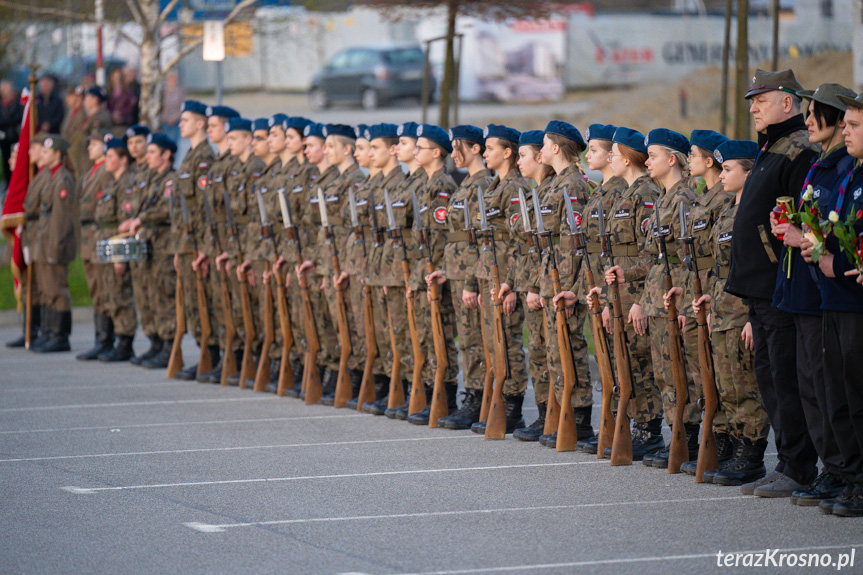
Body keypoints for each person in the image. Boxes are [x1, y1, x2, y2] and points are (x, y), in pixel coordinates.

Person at [725, 69, 820, 497]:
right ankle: (787, 461)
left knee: (785, 378)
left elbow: (799, 218)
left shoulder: (797, 149)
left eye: (760, 100)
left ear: (786, 101)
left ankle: (798, 466)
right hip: (760, 289)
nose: (752, 108)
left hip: (780, 284)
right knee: (771, 377)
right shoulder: (773, 147)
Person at [770, 84, 854, 505]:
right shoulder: (822, 165)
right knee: (812, 389)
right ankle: (833, 469)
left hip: (828, 293)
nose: (806, 120)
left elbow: (833, 235)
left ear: (838, 120)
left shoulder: (842, 169)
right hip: (803, 291)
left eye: (815, 113)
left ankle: (841, 471)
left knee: (829, 390)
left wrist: (804, 237)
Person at [801, 90, 863, 517]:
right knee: (839, 395)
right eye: (847, 123)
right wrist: (810, 242)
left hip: (853, 301)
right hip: (834, 298)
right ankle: (854, 479)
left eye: (855, 125)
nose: (846, 130)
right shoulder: (852, 174)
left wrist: (833, 259)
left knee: (857, 398)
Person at [670, 129, 734, 475]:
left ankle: (727, 442)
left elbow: (718, 256)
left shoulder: (723, 198)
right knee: (702, 371)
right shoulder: (702, 197)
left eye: (693, 154)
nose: (689, 160)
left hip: (716, 291)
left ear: (709, 160)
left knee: (721, 373)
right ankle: (715, 440)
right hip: (698, 291)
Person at [428, 125, 493, 430]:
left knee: (474, 339)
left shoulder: (482, 186)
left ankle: (478, 398)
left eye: (459, 147)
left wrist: (470, 281)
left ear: (476, 149)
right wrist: (446, 268)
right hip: (456, 271)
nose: (453, 154)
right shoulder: (466, 184)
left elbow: (479, 239)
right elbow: (455, 236)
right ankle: (473, 395)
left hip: (471, 273)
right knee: (466, 339)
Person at [465, 123, 528, 434]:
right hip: (488, 274)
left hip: (504, 278)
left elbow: (520, 241)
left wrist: (513, 283)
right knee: (493, 343)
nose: (485, 152)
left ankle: (512, 405)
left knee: (508, 342)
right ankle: (497, 402)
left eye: (490, 148)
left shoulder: (515, 187)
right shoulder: (493, 187)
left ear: (508, 152)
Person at [534, 121, 593, 447]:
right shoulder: (555, 184)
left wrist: (570, 287)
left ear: (556, 147)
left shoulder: (573, 186)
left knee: (569, 350)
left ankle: (580, 421)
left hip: (565, 283)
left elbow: (575, 242)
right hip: (551, 278)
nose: (540, 151)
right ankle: (566, 416)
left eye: (544, 144)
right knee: (556, 353)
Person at [572, 123, 629, 453]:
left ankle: (635, 428)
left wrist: (607, 297)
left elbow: (617, 252)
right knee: (608, 361)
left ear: (611, 155)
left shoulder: (623, 192)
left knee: (623, 362)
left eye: (593, 150)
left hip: (614, 291)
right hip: (597, 288)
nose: (588, 155)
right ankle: (615, 424)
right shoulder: (603, 191)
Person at [404, 123, 459, 425]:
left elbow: (442, 237)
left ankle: (445, 397)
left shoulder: (442, 186)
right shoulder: (425, 184)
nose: (415, 151)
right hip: (423, 272)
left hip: (436, 273)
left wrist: (437, 272)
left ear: (436, 152)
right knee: (427, 336)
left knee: (441, 336)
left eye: (420, 147)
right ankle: (431, 394)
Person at [356, 123, 406, 411]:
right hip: (376, 264)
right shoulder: (376, 183)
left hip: (393, 267)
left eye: (374, 147)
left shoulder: (399, 184)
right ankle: (388, 386)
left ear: (392, 149)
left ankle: (402, 388)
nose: (369, 153)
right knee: (381, 331)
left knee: (397, 330)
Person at [317, 124, 366, 404]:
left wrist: (345, 265)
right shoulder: (333, 180)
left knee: (352, 324)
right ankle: (346, 374)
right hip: (331, 260)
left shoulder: (354, 180)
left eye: (331, 146)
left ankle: (358, 377)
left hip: (345, 262)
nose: (326, 151)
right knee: (339, 324)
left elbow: (352, 230)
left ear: (346, 149)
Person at [511, 129, 554, 441]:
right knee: (538, 351)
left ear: (541, 156)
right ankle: (544, 413)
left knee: (552, 351)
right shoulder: (533, 193)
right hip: (533, 283)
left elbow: (553, 248)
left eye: (523, 154)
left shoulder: (554, 192)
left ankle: (562, 415)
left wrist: (538, 287)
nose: (518, 161)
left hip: (548, 284)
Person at [121, 133, 178, 369]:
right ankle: (155, 341)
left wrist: (141, 218)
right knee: (148, 295)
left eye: (153, 152)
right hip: (149, 244)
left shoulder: (170, 180)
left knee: (164, 296)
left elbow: (166, 209)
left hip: (164, 245)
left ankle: (169, 346)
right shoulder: (152, 178)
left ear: (166, 155)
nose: (148, 156)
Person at [172, 100, 218, 381]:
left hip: (197, 243)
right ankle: (203, 355)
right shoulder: (189, 156)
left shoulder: (204, 159)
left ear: (200, 123)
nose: (180, 124)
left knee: (203, 302)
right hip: (185, 242)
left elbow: (204, 209)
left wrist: (202, 247)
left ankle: (211, 357)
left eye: (186, 119)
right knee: (192, 302)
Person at [296, 122, 342, 398]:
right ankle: (329, 368)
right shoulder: (318, 180)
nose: (308, 150)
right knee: (320, 322)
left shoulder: (341, 181)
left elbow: (341, 230)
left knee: (338, 323)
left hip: (334, 262)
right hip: (318, 259)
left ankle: (339, 372)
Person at [198, 104, 240, 384]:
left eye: (213, 125)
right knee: (220, 306)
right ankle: (225, 358)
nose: (208, 130)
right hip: (216, 245)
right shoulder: (216, 165)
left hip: (231, 245)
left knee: (235, 306)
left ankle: (235, 360)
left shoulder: (236, 166)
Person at [94, 137, 138, 362]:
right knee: (111, 294)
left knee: (121, 294)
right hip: (106, 246)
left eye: (111, 156)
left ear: (123, 159)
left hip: (117, 247)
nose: (107, 160)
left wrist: (120, 257)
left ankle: (125, 342)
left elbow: (125, 222)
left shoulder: (126, 183)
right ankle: (116, 339)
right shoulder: (111, 182)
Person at [31, 135, 76, 353]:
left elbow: (61, 218)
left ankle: (60, 335)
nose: (43, 155)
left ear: (58, 154)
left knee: (57, 289)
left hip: (54, 241)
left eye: (47, 152)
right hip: (44, 239)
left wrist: (55, 247)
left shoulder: (62, 179)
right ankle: (49, 331)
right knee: (47, 289)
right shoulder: (50, 176)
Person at [6, 133, 49, 349]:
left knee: (42, 286)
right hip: (30, 236)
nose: (11, 162)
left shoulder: (39, 178)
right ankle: (28, 329)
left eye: (15, 158)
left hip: (39, 237)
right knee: (27, 283)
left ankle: (40, 329)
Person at [76, 129, 115, 361]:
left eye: (94, 144)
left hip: (98, 231)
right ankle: (99, 338)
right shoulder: (91, 172)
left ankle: (107, 339)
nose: (89, 147)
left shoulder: (105, 172)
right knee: (94, 287)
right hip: (88, 234)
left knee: (103, 287)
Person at [0, 80, 23, 176]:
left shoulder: (17, 102)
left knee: (16, 159)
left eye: (7, 89)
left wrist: (5, 122)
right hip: (4, 137)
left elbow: (19, 117)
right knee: (6, 160)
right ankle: (8, 182)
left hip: (15, 135)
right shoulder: (1, 103)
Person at [161, 72, 184, 144]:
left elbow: (182, 107)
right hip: (165, 120)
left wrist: (175, 117)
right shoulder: (163, 92)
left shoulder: (180, 93)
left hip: (176, 120)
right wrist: (167, 118)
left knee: (174, 141)